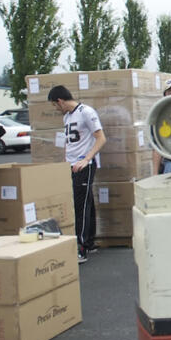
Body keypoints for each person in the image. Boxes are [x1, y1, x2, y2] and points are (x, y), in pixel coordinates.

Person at [47, 85, 107, 263]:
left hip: (83, 164)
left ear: (60, 101)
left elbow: (101, 138)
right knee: (85, 201)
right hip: (71, 164)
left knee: (80, 206)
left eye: (55, 105)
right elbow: (70, 141)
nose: (56, 109)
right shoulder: (67, 116)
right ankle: (89, 242)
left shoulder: (86, 112)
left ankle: (80, 248)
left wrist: (86, 159)